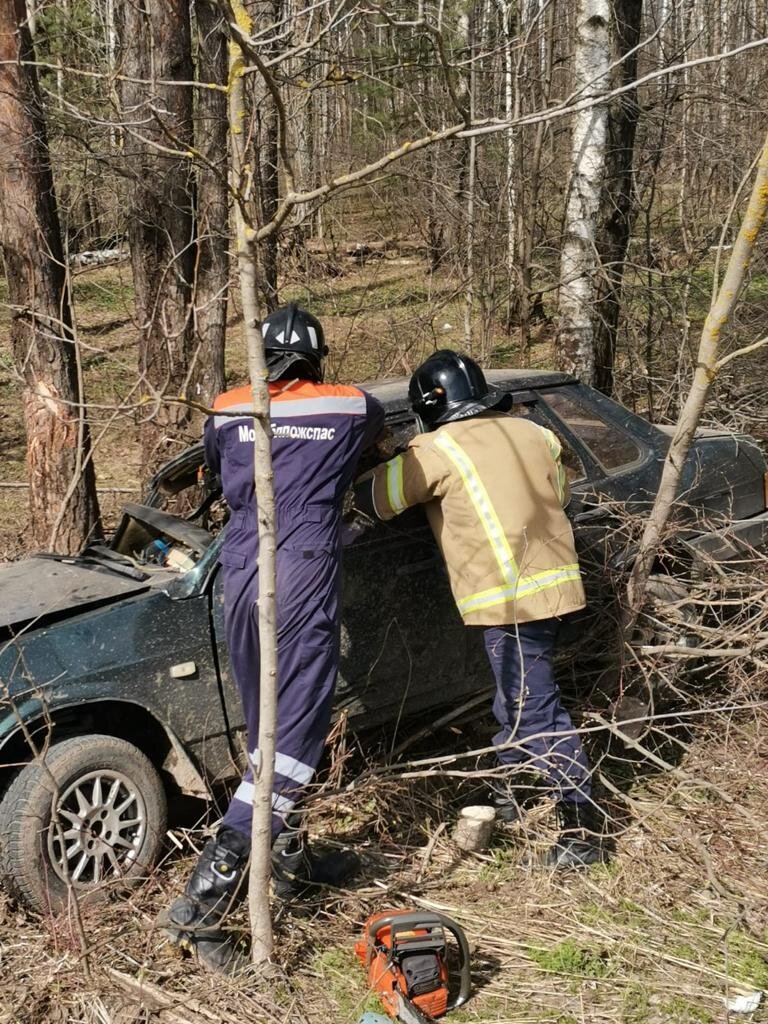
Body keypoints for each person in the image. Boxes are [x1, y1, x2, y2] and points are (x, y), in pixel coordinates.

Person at [163, 304, 385, 970]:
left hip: (239, 575)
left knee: (266, 731)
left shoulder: (227, 406)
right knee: (293, 744)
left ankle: (289, 860)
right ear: (317, 358)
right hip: (300, 578)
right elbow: (380, 446)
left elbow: (213, 469)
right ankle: (203, 907)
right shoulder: (351, 405)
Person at [353, 350, 603, 870]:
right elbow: (559, 494)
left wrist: (378, 459)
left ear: (429, 407)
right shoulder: (535, 433)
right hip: (557, 589)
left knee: (536, 710)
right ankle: (510, 791)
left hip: (511, 601)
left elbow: (375, 500)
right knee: (516, 698)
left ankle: (584, 827)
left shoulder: (437, 449)